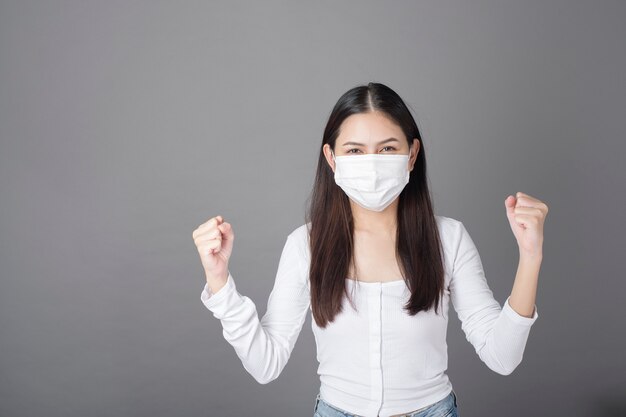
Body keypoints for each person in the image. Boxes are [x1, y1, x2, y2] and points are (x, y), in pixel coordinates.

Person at [192, 82, 548, 417]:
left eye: (388, 148)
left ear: (412, 154)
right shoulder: (305, 245)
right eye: (355, 151)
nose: (372, 163)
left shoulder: (448, 239)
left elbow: (502, 357)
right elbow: (265, 364)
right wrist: (220, 282)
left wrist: (530, 257)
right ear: (332, 159)